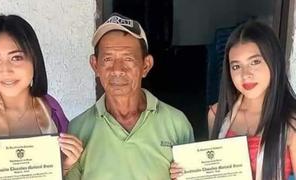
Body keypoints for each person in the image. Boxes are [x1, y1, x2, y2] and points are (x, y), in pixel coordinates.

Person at [65, 13, 194, 180]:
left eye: (128, 59)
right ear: (95, 65)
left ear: (146, 66)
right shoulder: (78, 129)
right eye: (108, 59)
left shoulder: (176, 124)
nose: (117, 69)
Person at [170, 21, 296, 180]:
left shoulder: (291, 122)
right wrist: (186, 171)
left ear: (274, 62)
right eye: (236, 66)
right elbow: (213, 171)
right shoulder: (218, 114)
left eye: (255, 62)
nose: (245, 74)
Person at [0, 14, 83, 179]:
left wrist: (66, 164)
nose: (5, 70)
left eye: (16, 57)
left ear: (34, 59)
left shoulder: (51, 108)